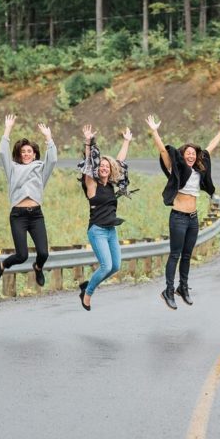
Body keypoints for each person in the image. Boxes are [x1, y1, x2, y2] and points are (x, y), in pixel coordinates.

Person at [147, 114, 220, 310]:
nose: (191, 155)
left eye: (193, 153)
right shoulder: (177, 169)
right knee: (175, 254)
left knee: (187, 255)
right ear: (182, 155)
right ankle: (168, 290)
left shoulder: (199, 170)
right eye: (187, 153)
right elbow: (163, 152)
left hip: (193, 218)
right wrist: (154, 131)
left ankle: (183, 287)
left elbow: (211, 147)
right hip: (178, 218)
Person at [0, 114, 57, 288]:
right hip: (18, 216)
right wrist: (8, 129)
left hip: (36, 215)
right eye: (23, 152)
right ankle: (2, 265)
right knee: (22, 255)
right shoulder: (12, 169)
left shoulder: (41, 169)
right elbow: (2, 152)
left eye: (29, 151)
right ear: (19, 155)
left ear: (34, 154)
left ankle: (38, 267)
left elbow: (53, 159)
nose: (26, 154)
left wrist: (48, 138)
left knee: (43, 253)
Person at [76, 124, 132, 310]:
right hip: (97, 230)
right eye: (101, 166)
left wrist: (126, 141)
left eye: (107, 166)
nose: (104, 168)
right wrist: (88, 142)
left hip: (111, 230)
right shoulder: (92, 185)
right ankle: (88, 293)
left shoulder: (111, 185)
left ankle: (88, 285)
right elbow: (88, 165)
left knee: (115, 266)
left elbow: (119, 160)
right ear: (97, 169)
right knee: (106, 265)